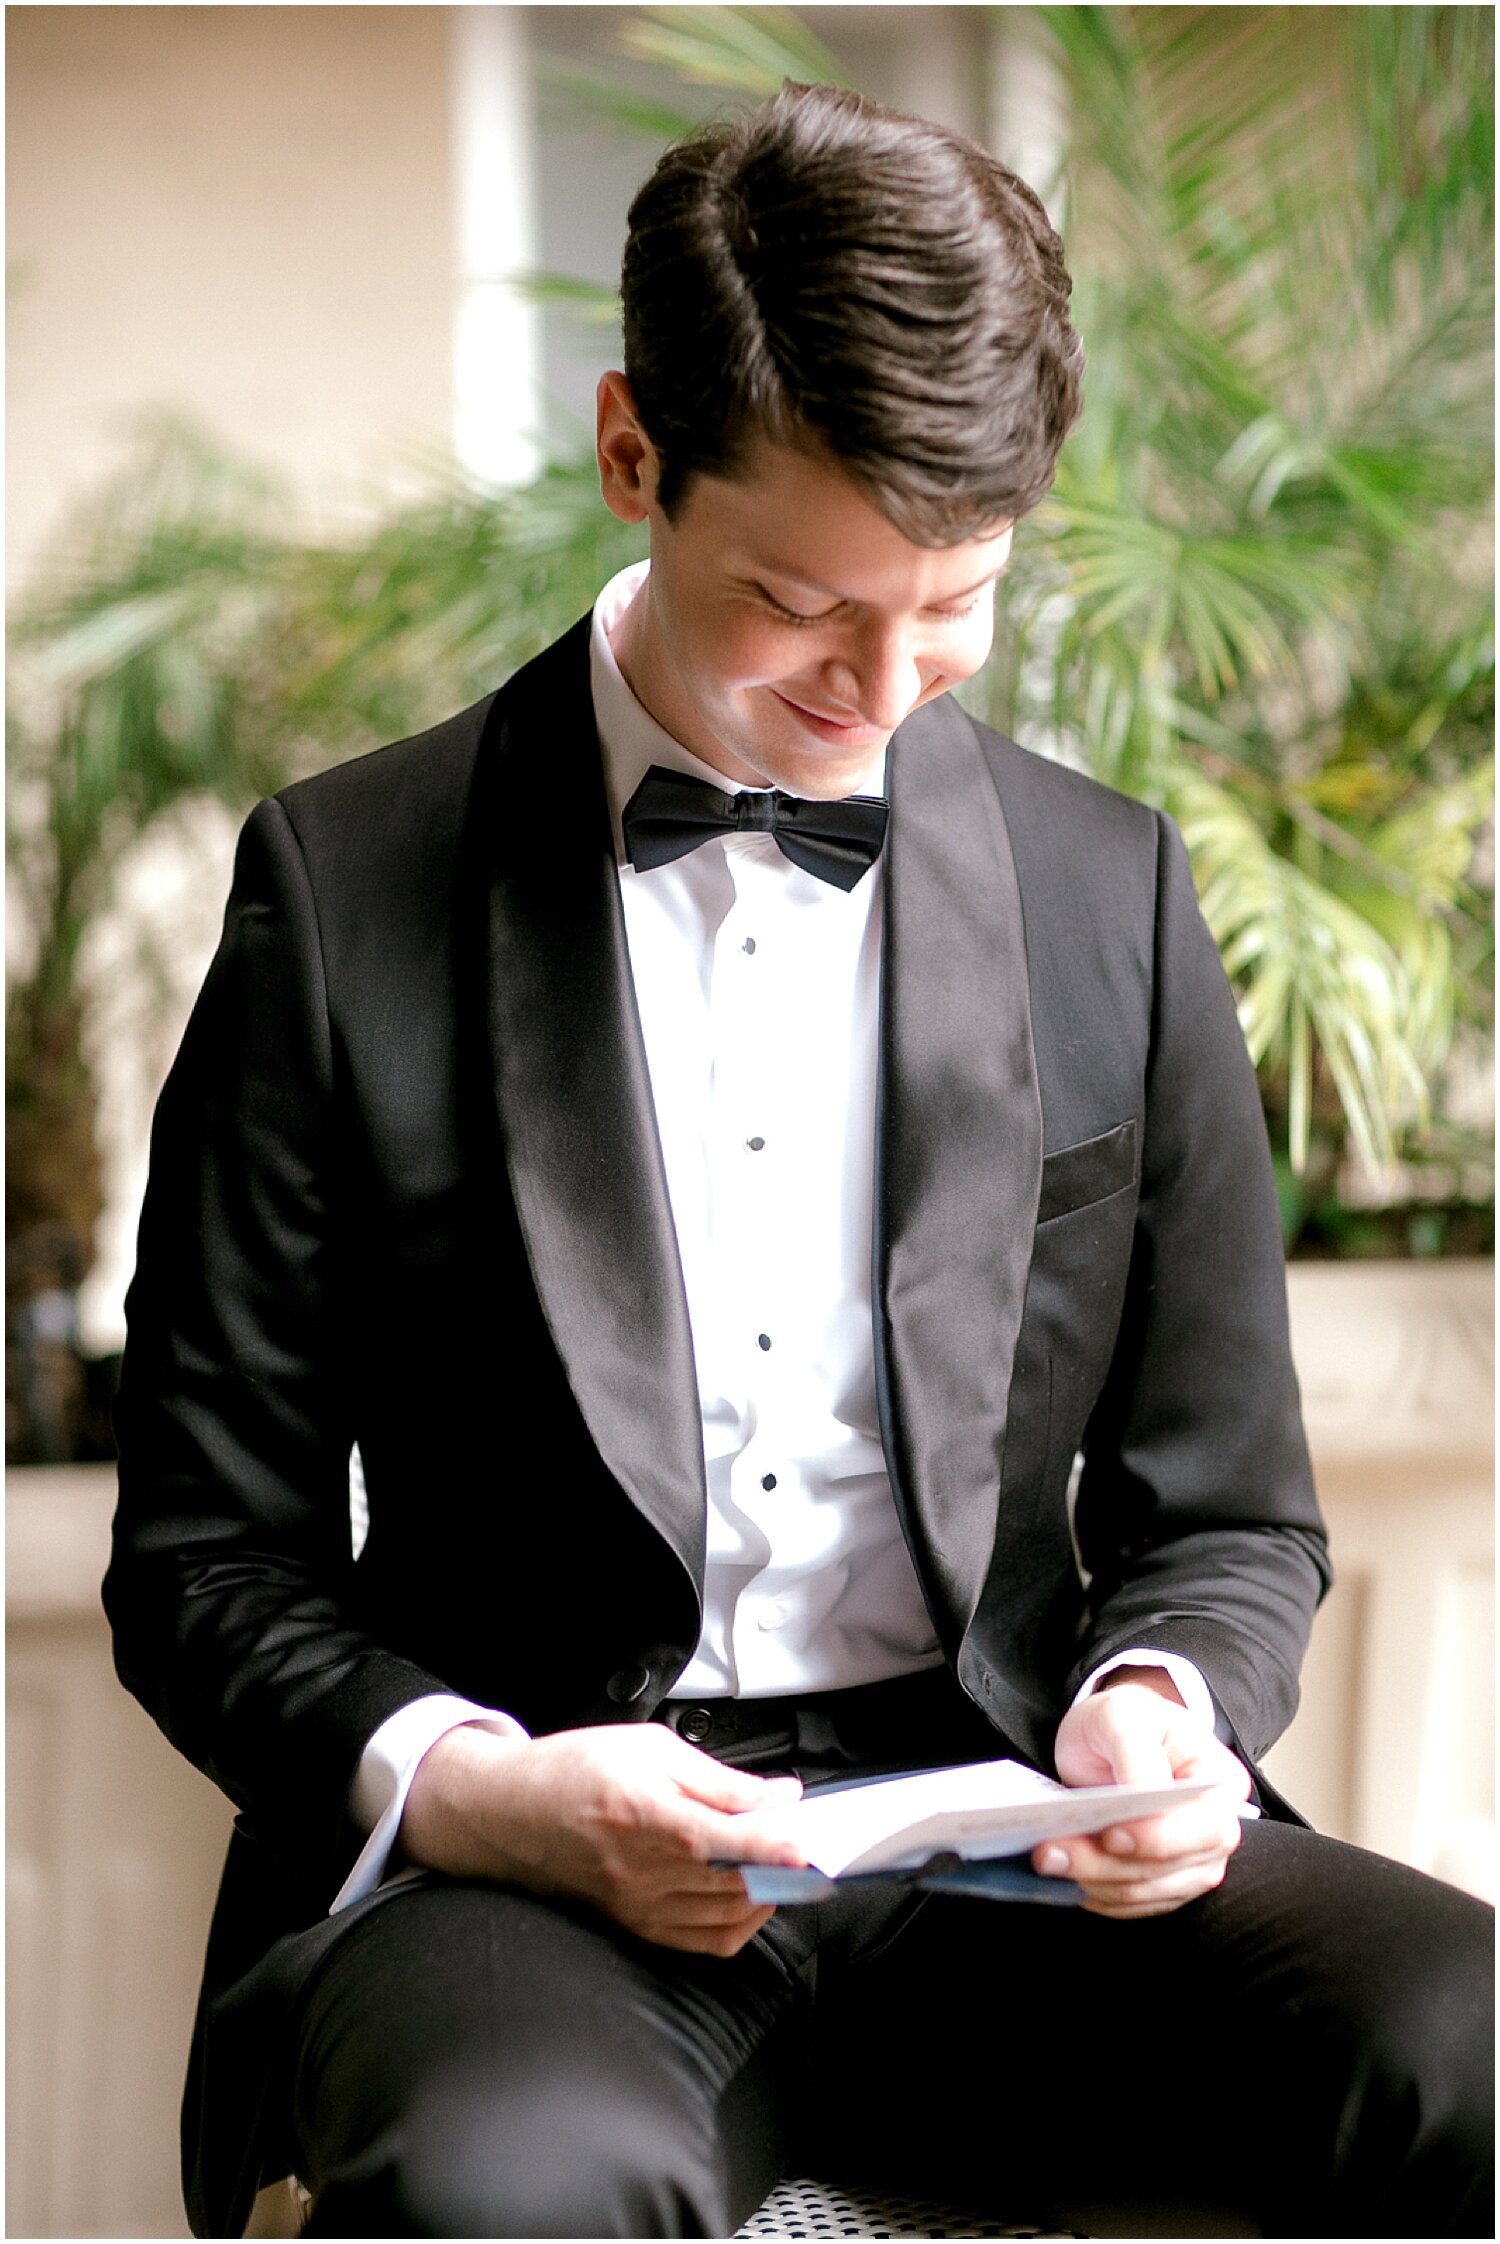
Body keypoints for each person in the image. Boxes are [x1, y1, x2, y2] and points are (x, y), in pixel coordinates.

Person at [105, 82, 1492, 2241]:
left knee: (1472, 2044)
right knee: (502, 2192)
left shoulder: (1103, 891)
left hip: (1010, 1856)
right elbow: (204, 1563)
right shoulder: (341, 891)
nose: (884, 689)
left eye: (953, 610)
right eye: (804, 604)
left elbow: (1224, 1505)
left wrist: (1158, 1701)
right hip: (535, 1883)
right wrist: (485, 1791)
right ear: (632, 455)